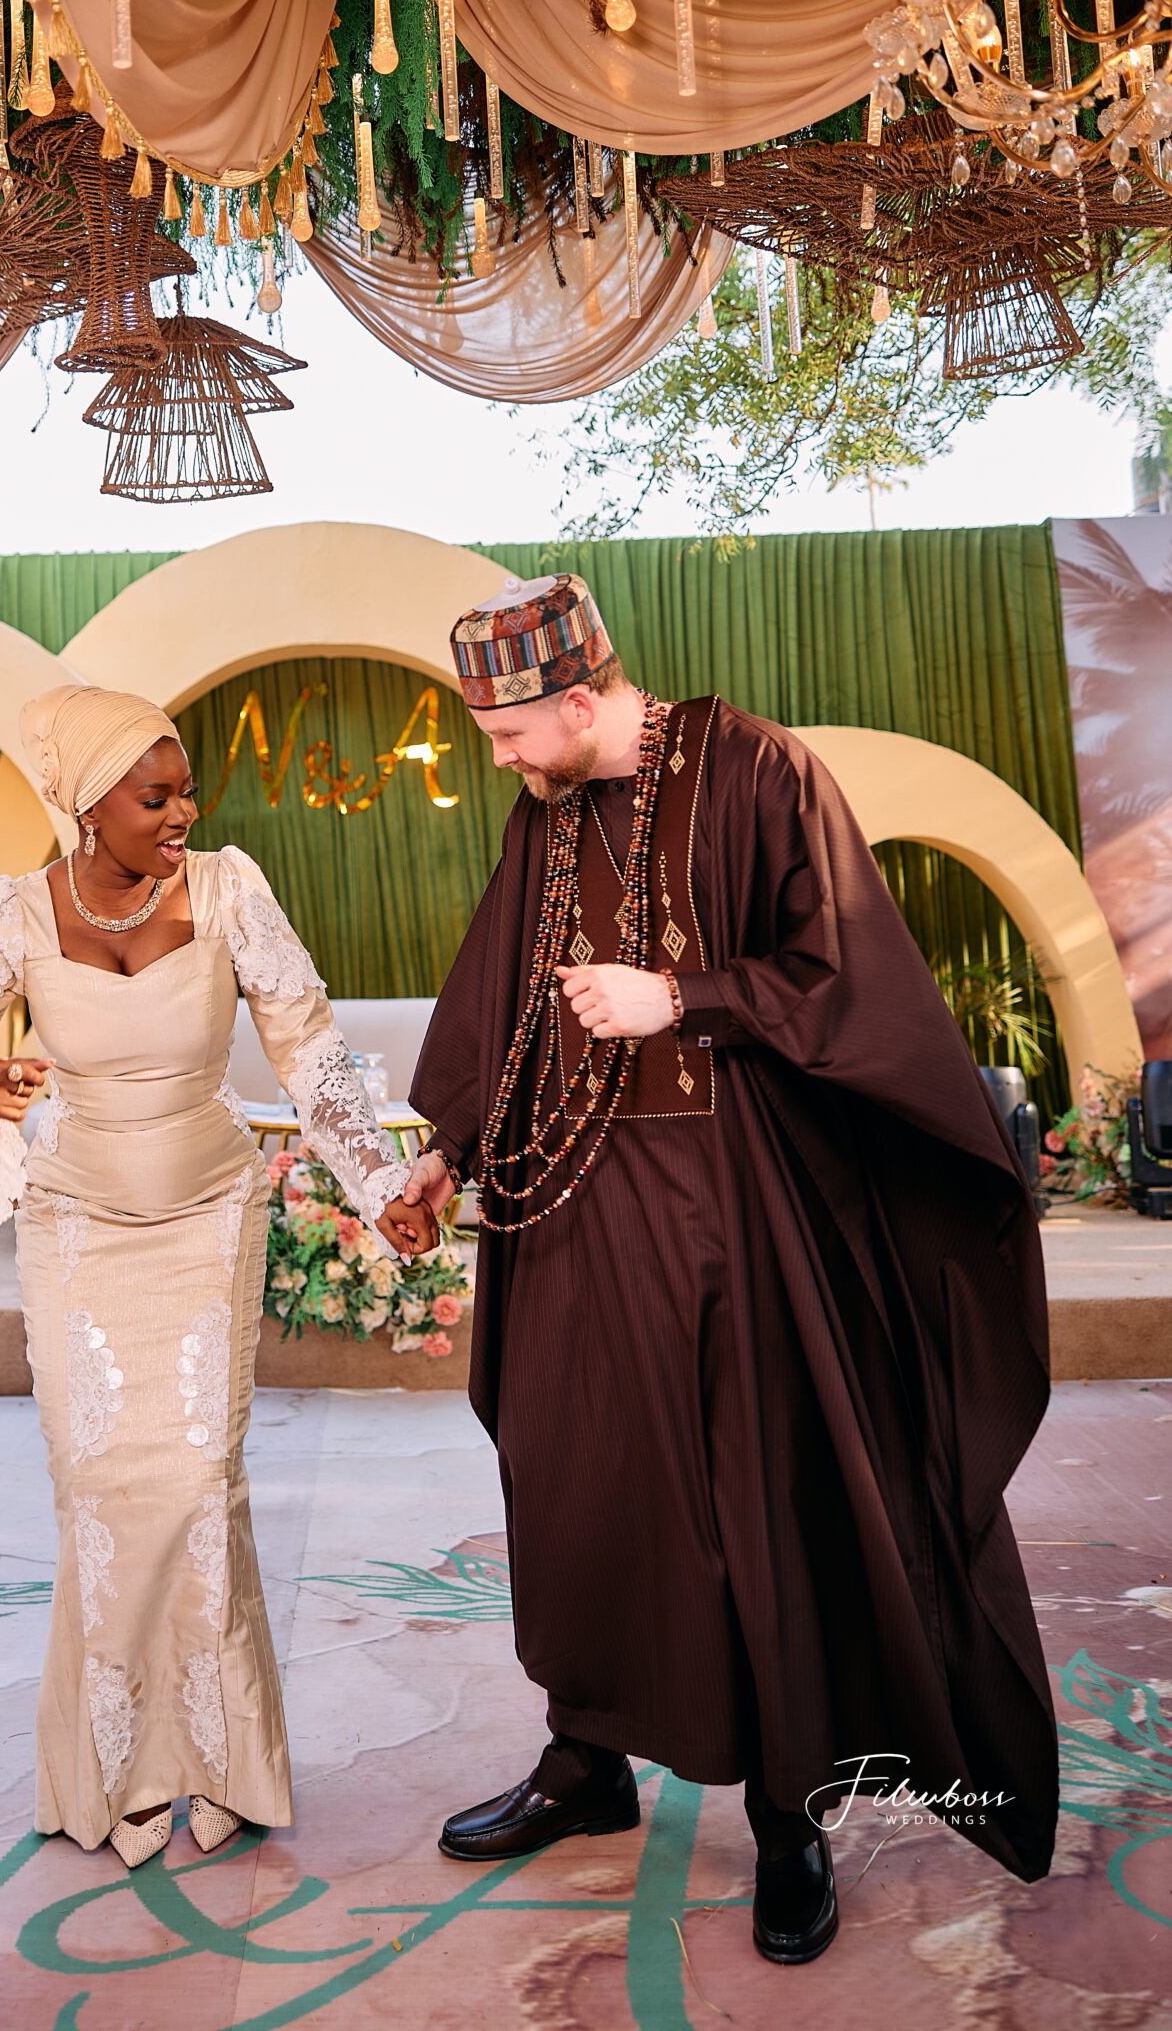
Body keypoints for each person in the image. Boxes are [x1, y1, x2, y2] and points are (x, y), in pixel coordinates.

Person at [400, 571, 1057, 1966]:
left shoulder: (759, 771)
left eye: (508, 733)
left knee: (756, 1503)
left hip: (737, 1213)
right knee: (575, 1482)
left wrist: (683, 997)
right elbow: (500, 987)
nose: (500, 760)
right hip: (574, 1221)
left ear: (577, 697)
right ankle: (587, 1760)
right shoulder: (546, 811)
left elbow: (849, 975)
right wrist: (446, 1150)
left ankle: (785, 1813)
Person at [0, 681, 436, 1872]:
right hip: (77, 1227)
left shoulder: (230, 891)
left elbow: (310, 1050)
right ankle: (121, 1765)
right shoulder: (15, 913)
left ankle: (220, 1759)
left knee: (192, 1480)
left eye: (187, 792)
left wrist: (380, 1182)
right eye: (156, 796)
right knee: (97, 1488)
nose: (182, 812)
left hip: (205, 1216)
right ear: (91, 805)